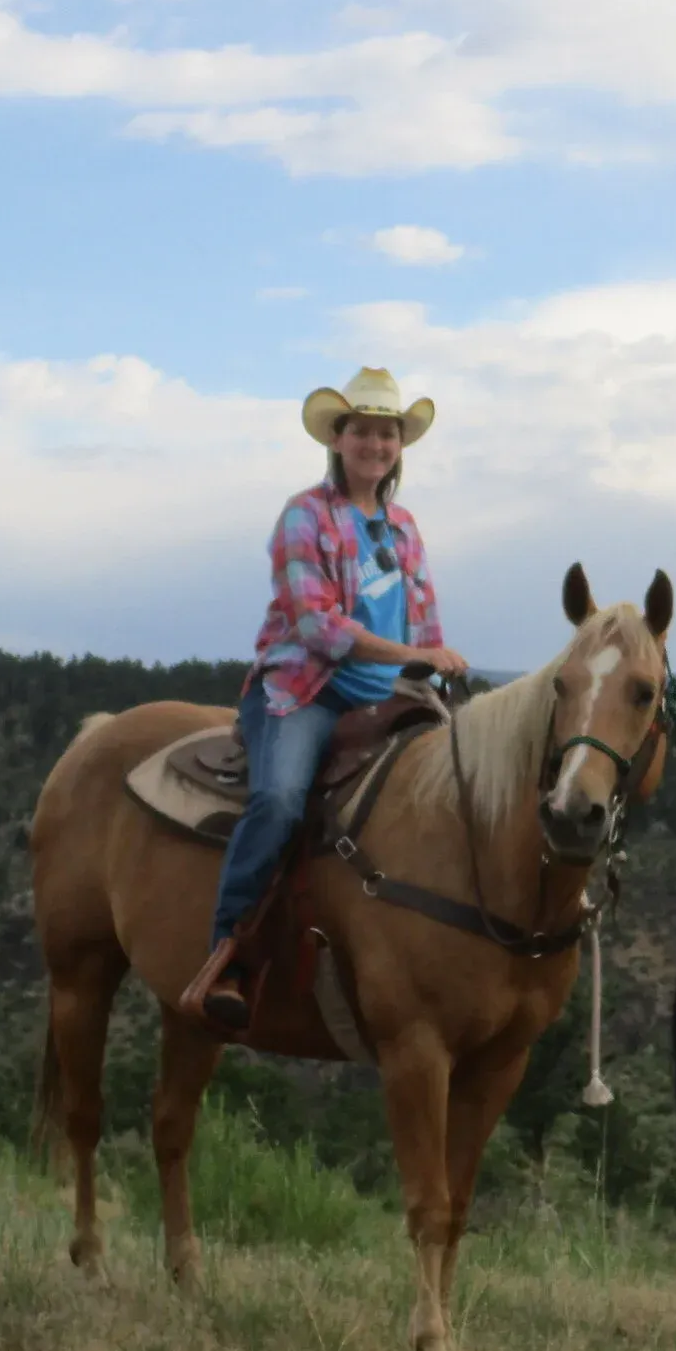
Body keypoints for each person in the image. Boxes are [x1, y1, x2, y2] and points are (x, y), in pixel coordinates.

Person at [182, 367, 469, 1032]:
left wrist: (434, 675)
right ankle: (227, 952)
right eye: (362, 430)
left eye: (387, 432)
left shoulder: (403, 527)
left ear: (400, 445)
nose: (375, 443)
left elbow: (425, 626)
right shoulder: (304, 514)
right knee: (280, 799)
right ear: (337, 439)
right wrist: (412, 657)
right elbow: (316, 626)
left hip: (389, 698)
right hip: (305, 690)